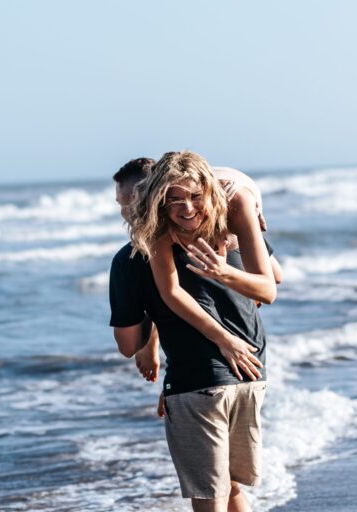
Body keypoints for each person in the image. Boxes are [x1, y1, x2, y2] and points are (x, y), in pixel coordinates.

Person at [110, 153, 272, 511]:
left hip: (198, 380)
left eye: (125, 203)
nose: (123, 212)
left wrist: (147, 341)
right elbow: (272, 277)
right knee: (230, 488)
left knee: (208, 496)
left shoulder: (132, 256)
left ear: (144, 197)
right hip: (251, 371)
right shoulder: (222, 225)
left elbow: (126, 343)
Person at [117, 154, 282, 387]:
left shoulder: (235, 203)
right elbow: (171, 292)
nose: (186, 208)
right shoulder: (158, 219)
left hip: (232, 197)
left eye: (194, 197)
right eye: (175, 200)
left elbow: (269, 289)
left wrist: (224, 272)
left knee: (271, 275)